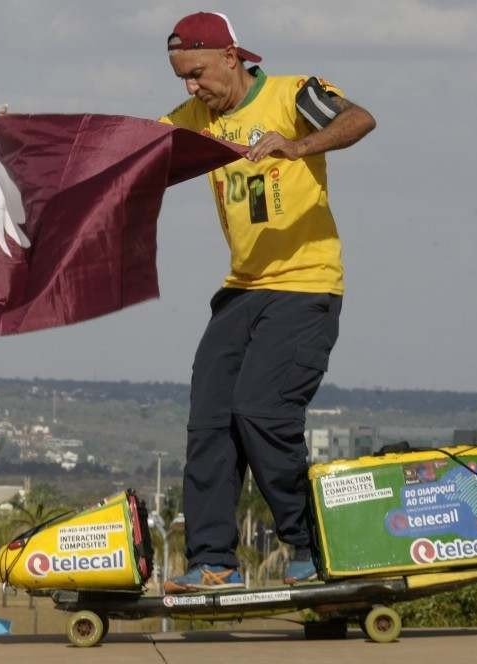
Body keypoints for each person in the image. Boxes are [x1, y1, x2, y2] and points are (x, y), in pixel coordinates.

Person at [159, 11, 375, 593]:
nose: (191, 88)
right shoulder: (196, 120)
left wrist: (298, 145)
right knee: (210, 418)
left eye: (198, 73)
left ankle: (309, 546)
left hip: (305, 286)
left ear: (231, 57)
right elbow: (128, 151)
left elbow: (359, 119)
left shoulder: (291, 94)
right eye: (182, 78)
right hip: (242, 290)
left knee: (261, 410)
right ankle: (214, 561)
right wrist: (29, 143)